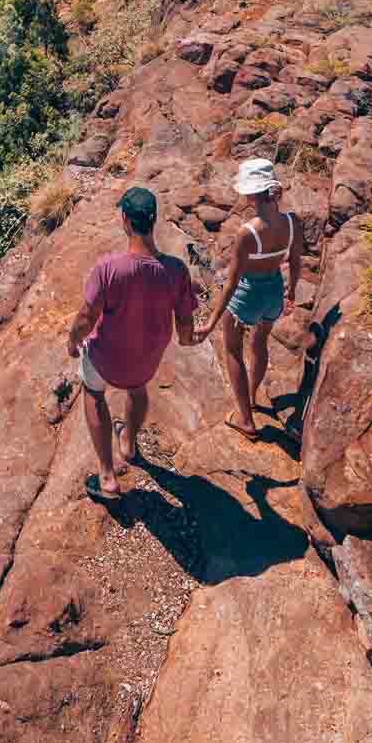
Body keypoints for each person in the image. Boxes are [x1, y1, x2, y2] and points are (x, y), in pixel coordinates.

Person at [67, 185, 196, 502]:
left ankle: (108, 476)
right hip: (146, 360)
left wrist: (73, 341)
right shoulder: (177, 270)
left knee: (94, 394)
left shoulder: (109, 269)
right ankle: (129, 444)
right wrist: (193, 335)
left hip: (106, 358)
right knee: (137, 390)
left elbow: (86, 317)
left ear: (125, 220)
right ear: (153, 221)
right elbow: (185, 327)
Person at [195, 156, 302, 440]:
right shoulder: (292, 222)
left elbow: (231, 282)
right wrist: (291, 290)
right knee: (260, 342)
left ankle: (245, 419)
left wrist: (210, 321)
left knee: (232, 350)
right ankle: (253, 397)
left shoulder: (248, 232)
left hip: (248, 294)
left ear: (251, 193)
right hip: (274, 291)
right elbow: (295, 260)